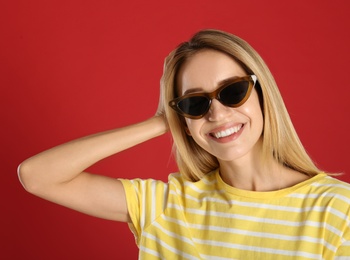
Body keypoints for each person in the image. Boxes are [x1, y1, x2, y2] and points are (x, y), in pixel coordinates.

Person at [18, 29, 350, 259]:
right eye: (195, 104)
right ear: (185, 122)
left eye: (233, 92)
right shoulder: (166, 207)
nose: (218, 113)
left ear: (262, 95)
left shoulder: (337, 209)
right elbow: (38, 175)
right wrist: (160, 121)